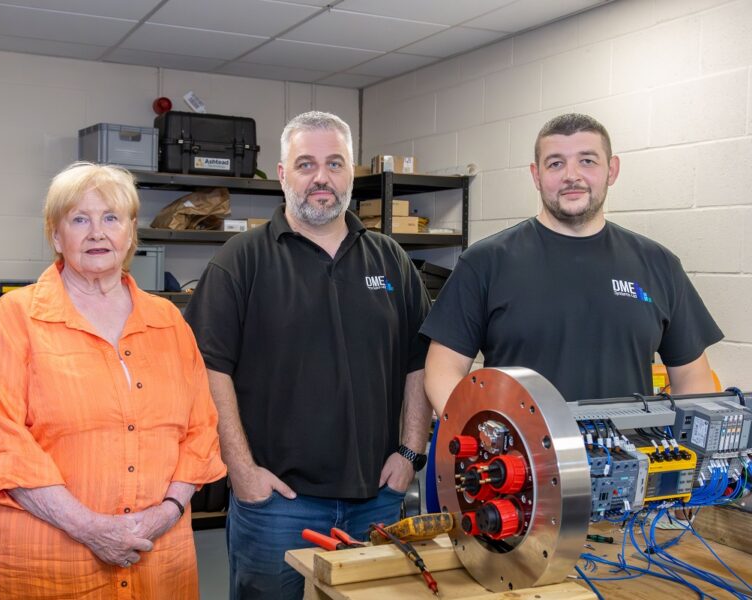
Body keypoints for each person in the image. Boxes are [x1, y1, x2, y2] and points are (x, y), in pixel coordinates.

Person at [185, 111, 433, 600]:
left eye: (334, 163)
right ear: (282, 175)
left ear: (350, 174)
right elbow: (209, 371)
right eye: (305, 164)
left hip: (377, 499)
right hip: (278, 504)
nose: (321, 177)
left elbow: (418, 362)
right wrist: (243, 472)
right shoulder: (241, 260)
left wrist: (410, 452)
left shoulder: (390, 260)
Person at [0, 162, 226, 599]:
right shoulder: (15, 318)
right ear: (55, 235)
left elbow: (201, 430)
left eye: (111, 218)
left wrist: (165, 513)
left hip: (156, 555)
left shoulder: (167, 322)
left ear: (130, 232)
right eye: (79, 219)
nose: (96, 232)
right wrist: (90, 528)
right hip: (43, 562)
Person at [422, 113, 723, 414]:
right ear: (536, 175)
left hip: (627, 455)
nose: (571, 175)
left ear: (612, 170)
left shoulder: (659, 264)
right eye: (555, 163)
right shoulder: (485, 262)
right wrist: (480, 439)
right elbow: (442, 368)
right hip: (518, 457)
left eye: (587, 161)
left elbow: (692, 377)